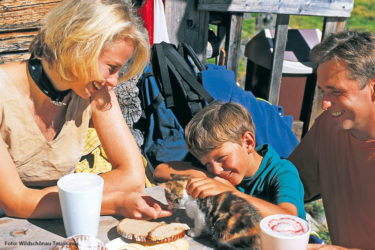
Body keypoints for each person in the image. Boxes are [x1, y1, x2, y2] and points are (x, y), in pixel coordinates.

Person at [0, 0, 171, 220]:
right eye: (112, 68)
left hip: (54, 220)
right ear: (80, 46)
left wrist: (42, 199)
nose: (114, 82)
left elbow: (133, 177)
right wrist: (112, 202)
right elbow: (16, 203)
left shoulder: (92, 91)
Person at [288, 30, 375, 249]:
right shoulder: (330, 126)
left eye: (336, 92)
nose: (325, 104)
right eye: (323, 91)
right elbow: (292, 182)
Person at [154, 101, 306, 219]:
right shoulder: (219, 170)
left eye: (221, 158)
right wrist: (209, 179)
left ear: (247, 142)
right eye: (206, 164)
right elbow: (161, 170)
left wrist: (231, 194)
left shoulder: (282, 172)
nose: (216, 169)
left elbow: (288, 218)